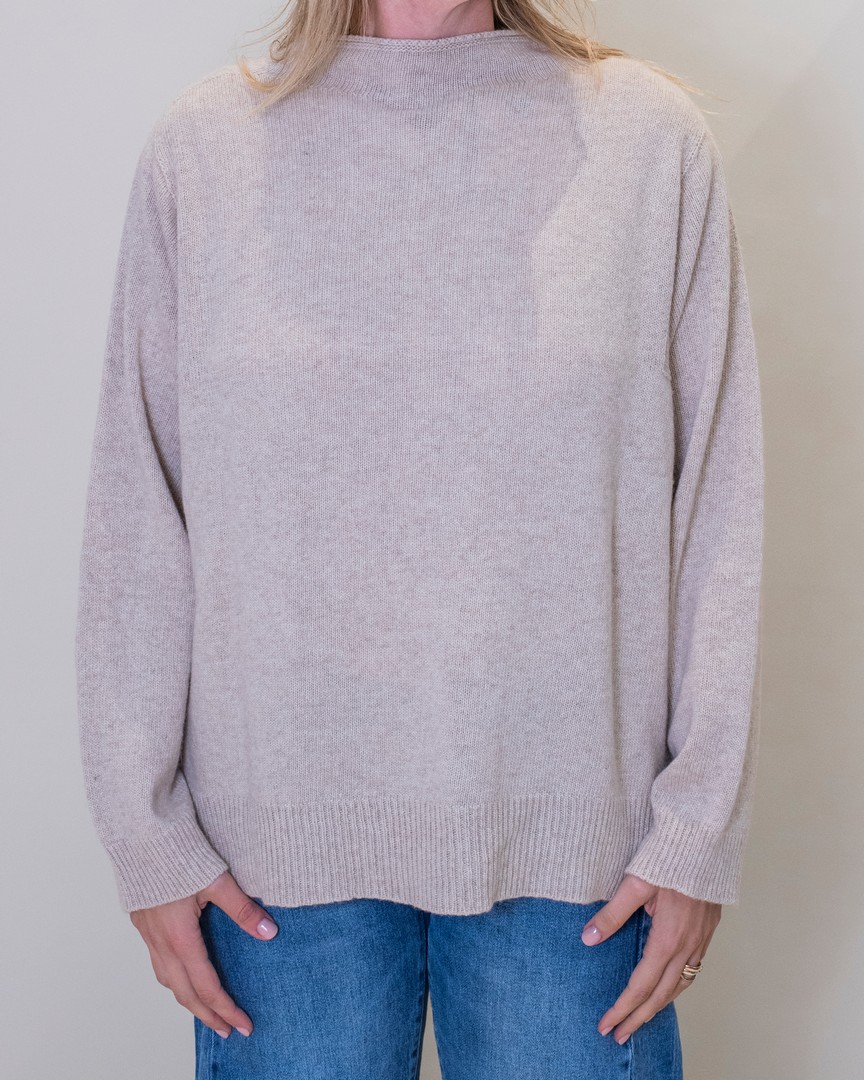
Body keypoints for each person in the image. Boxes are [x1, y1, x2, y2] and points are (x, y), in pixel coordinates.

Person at [74, 0, 764, 1076]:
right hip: (274, 862)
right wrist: (146, 836)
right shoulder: (205, 152)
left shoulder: (646, 142)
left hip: (580, 861)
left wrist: (696, 833)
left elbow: (717, 504)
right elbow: (139, 510)